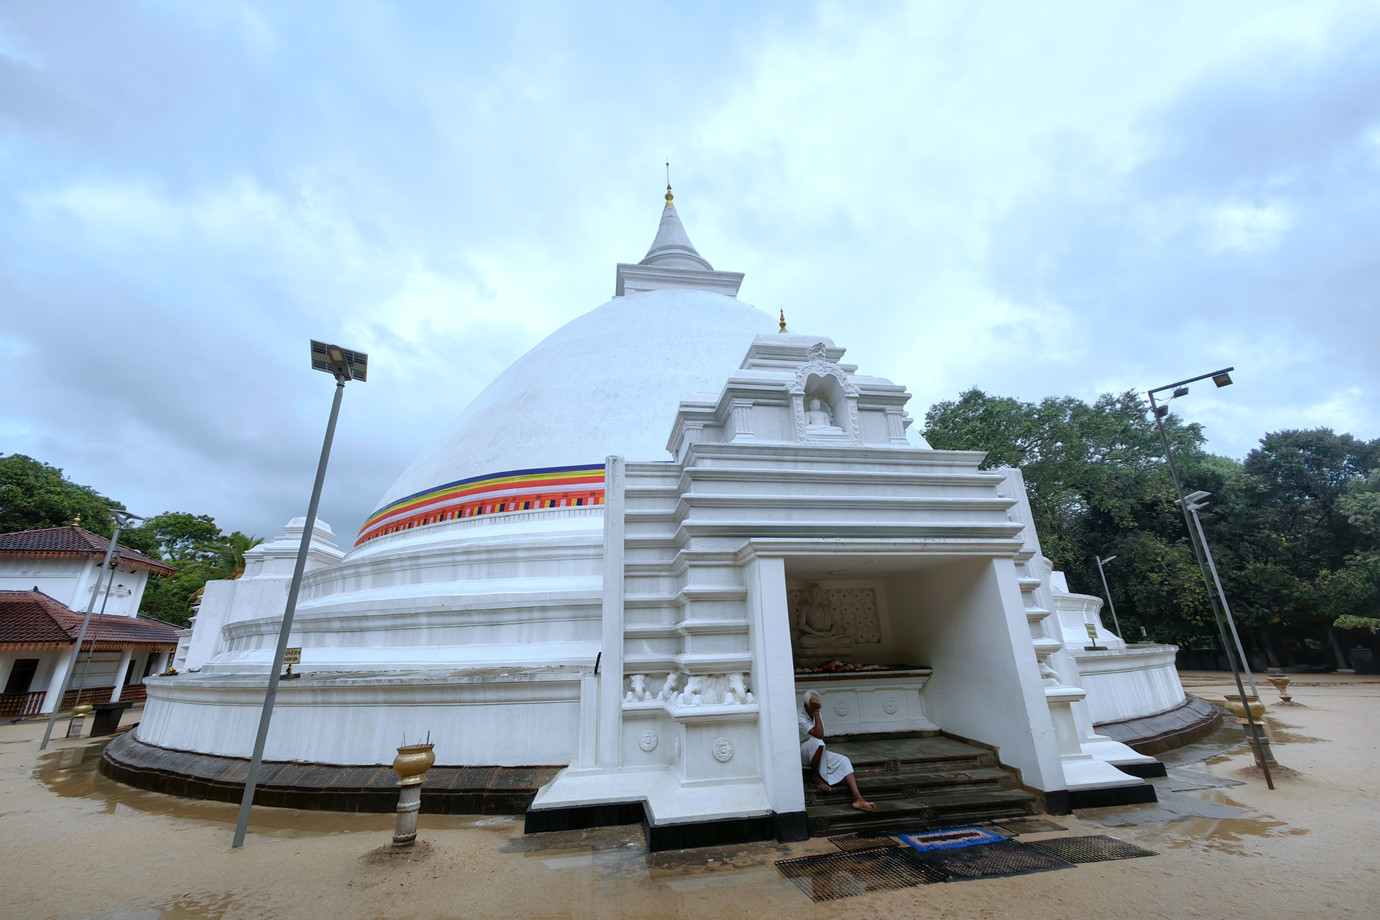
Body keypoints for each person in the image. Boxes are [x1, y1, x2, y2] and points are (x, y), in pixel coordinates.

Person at [798, 692, 876, 812]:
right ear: (806, 704)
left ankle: (858, 799)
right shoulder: (800, 715)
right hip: (801, 751)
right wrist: (816, 711)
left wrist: (816, 712)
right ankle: (815, 778)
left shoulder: (816, 713)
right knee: (817, 742)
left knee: (843, 760)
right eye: (813, 706)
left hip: (816, 749)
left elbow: (821, 735)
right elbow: (818, 736)